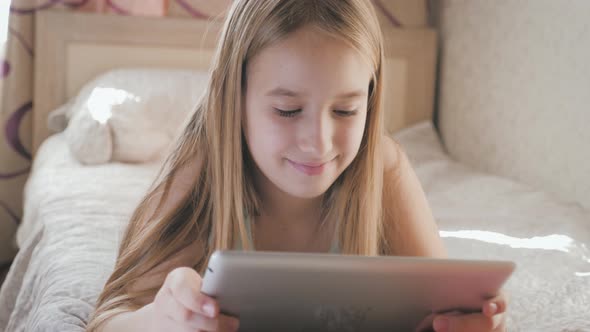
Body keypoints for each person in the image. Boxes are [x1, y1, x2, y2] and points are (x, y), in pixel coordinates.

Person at [87, 1, 508, 331]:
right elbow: (108, 320)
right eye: (288, 110)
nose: (318, 143)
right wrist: (158, 321)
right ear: (235, 101)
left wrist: (471, 323)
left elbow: (442, 308)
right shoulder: (200, 170)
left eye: (345, 111)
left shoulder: (382, 169)